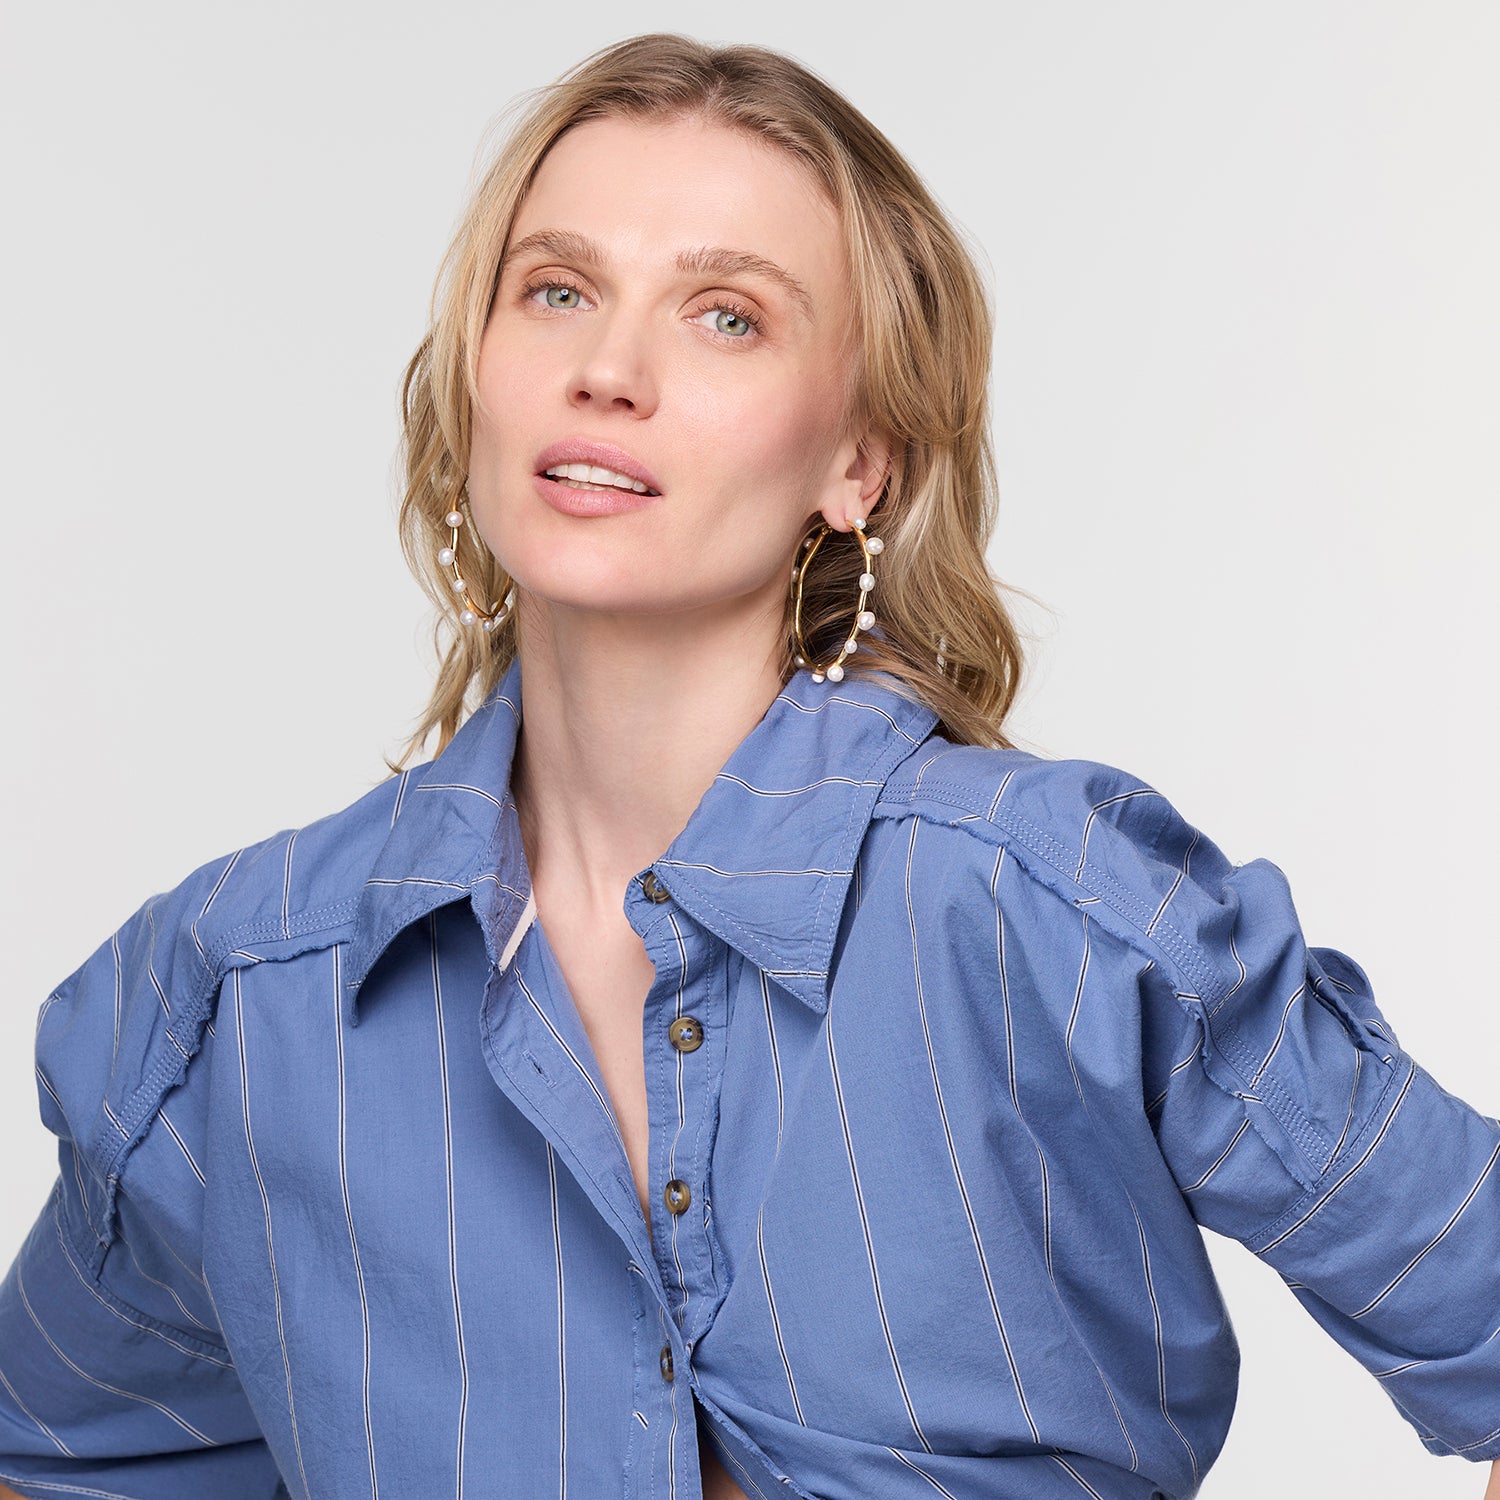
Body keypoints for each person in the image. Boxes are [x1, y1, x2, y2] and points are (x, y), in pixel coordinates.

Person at [0, 30, 1495, 1500]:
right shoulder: (236, 998)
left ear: (861, 462)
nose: (607, 368)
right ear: (475, 379)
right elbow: (59, 1461)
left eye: (726, 315)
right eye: (558, 289)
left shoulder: (1061, 912)